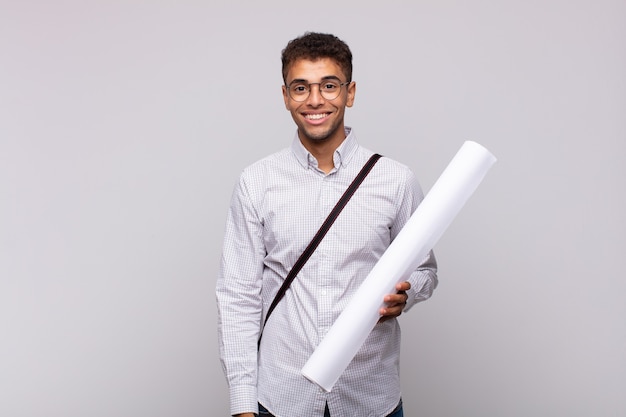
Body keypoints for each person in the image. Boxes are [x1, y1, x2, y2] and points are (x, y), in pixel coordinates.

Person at [216, 32, 438, 417]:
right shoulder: (256, 181)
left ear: (350, 93)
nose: (315, 100)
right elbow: (238, 295)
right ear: (285, 96)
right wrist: (241, 402)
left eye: (329, 86)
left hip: (371, 397)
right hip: (281, 398)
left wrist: (409, 292)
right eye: (301, 87)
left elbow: (424, 269)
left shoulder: (395, 179)